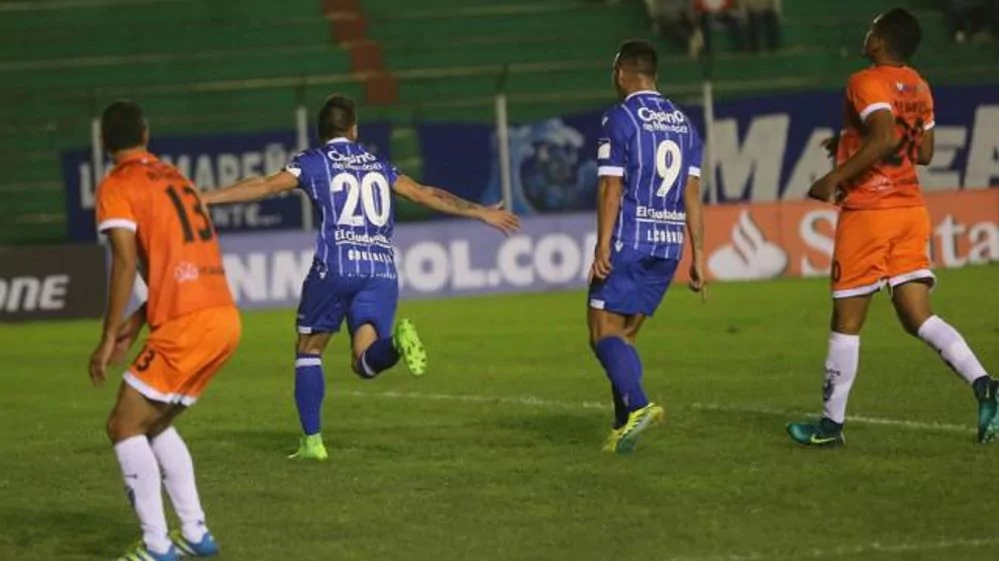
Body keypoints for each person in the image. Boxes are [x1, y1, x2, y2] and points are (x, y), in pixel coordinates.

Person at [201, 94, 519, 461]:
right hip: (380, 269)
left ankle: (312, 443)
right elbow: (423, 194)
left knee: (309, 350)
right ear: (354, 129)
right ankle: (395, 344)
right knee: (364, 361)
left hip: (337, 265)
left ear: (321, 132)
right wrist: (479, 211)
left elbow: (264, 185)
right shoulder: (378, 165)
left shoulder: (313, 161)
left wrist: (205, 198)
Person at [787, 8, 998, 447]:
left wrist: (835, 177)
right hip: (909, 210)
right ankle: (986, 386)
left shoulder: (864, 81)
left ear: (881, 40)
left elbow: (884, 136)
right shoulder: (919, 84)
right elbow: (923, 151)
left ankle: (830, 426)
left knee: (846, 319)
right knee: (917, 316)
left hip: (870, 213)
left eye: (872, 30)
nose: (866, 35)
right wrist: (849, 141)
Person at [89, 101, 241, 560]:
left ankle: (157, 546)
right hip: (222, 316)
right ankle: (194, 533)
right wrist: (137, 321)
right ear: (146, 134)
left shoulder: (118, 184)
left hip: (186, 323)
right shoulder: (176, 178)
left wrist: (108, 334)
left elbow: (125, 261)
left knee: (123, 424)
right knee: (152, 424)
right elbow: (172, 265)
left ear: (104, 141)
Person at [589, 40, 707, 454]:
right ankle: (624, 427)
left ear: (622, 74)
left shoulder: (620, 118)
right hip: (669, 245)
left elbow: (611, 186)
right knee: (625, 338)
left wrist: (603, 245)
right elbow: (692, 192)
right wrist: (699, 255)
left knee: (602, 333)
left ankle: (638, 406)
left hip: (630, 240)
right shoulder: (684, 124)